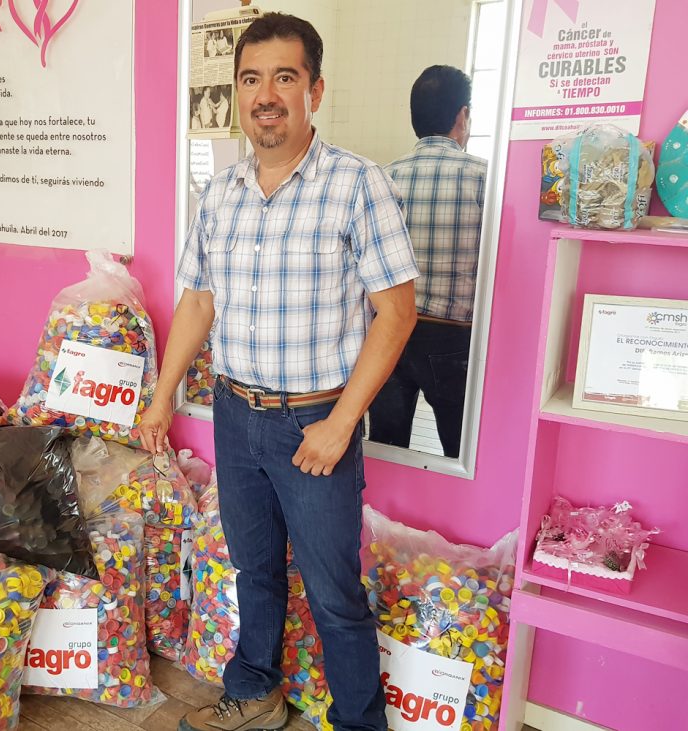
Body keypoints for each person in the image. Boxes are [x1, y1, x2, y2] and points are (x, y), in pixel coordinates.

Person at [139, 13, 419, 731]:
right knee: (253, 568)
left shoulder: (357, 185)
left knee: (333, 592)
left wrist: (341, 424)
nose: (266, 95)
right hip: (236, 414)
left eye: (284, 78)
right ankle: (256, 692)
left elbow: (396, 313)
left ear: (314, 91)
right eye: (251, 79)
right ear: (237, 92)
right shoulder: (221, 193)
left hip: (315, 422)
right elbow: (198, 301)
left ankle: (360, 722)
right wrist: (162, 397)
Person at [367, 65, 487, 459]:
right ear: (462, 116)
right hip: (453, 340)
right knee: (459, 450)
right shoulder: (483, 178)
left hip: (387, 332)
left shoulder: (384, 178)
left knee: (386, 446)